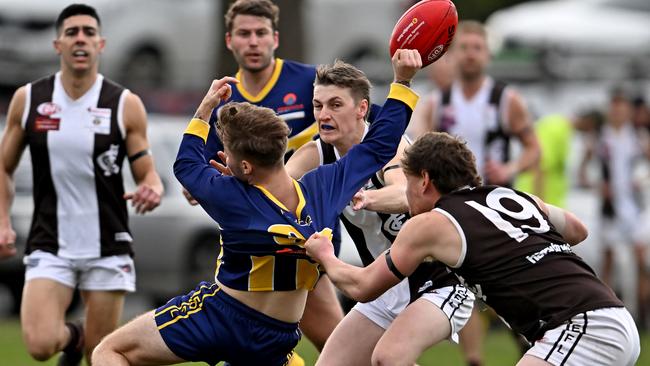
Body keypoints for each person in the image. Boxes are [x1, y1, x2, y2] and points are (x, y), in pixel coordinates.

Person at [91, 50, 422, 366]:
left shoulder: (232, 196)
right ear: (281, 149)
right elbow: (380, 143)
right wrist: (402, 83)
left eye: (231, 156)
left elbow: (187, 165)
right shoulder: (324, 188)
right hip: (276, 339)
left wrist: (205, 109)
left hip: (220, 317)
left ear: (245, 166)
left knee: (109, 351)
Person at [305, 131, 641, 366]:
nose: (405, 195)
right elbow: (577, 230)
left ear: (424, 180)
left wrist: (325, 255)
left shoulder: (432, 222)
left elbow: (363, 286)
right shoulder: (509, 196)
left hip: (580, 327)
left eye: (407, 183)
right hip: (612, 316)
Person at [0, 4, 163, 366]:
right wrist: (3, 222)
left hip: (108, 243)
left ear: (100, 44)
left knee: (101, 355)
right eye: (71, 32)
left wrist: (153, 188)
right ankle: (73, 338)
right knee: (40, 345)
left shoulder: (124, 104)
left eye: (88, 32)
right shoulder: (29, 100)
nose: (80, 39)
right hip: (50, 240)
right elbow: (4, 167)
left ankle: (85, 344)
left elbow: (147, 173)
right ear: (58, 44)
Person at [285, 60, 474, 365]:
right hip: (382, 285)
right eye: (318, 105)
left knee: (389, 359)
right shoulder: (316, 153)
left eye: (335, 104)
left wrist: (366, 197)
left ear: (361, 109)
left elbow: (403, 193)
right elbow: (278, 187)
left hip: (437, 281)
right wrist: (242, 176)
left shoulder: (391, 144)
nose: (324, 115)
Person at [183, 1, 346, 351]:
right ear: (230, 41)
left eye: (260, 33)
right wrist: (199, 188)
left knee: (337, 341)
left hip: (306, 227)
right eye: (244, 34)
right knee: (320, 343)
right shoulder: (224, 98)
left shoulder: (308, 83)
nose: (253, 42)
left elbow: (360, 124)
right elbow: (202, 164)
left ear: (275, 38)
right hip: (255, 238)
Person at [408, 20, 541, 365]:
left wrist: (510, 169)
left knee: (512, 286)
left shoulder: (504, 99)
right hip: (455, 207)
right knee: (463, 280)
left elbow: (533, 148)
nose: (469, 55)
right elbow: (417, 146)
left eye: (476, 48)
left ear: (488, 55)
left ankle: (532, 343)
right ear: (452, 56)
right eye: (463, 48)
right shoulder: (438, 102)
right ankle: (474, 359)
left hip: (497, 202)